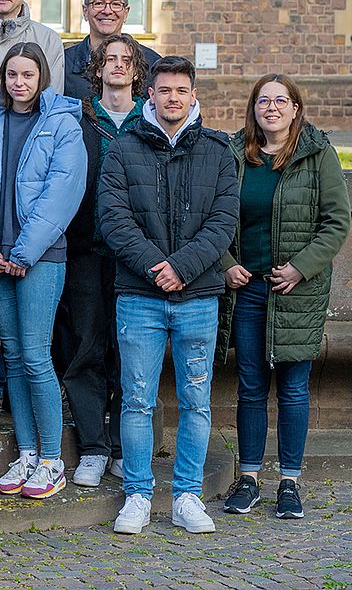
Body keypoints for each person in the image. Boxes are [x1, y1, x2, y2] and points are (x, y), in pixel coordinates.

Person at [98, 56, 239, 535]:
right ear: (150, 94)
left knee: (197, 401)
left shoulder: (219, 151)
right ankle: (137, 494)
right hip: (139, 294)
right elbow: (113, 219)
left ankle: (186, 496)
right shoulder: (123, 148)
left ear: (193, 95)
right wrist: (156, 268)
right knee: (136, 399)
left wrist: (181, 267)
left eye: (181, 89)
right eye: (164, 90)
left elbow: (223, 223)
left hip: (198, 296)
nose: (173, 97)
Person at [219, 74, 350, 520]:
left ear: (295, 108)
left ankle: (290, 482)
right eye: (263, 100)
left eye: (281, 100)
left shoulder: (317, 154)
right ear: (253, 108)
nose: (271, 107)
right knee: (252, 386)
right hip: (249, 289)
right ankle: (250, 479)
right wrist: (226, 263)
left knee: (294, 389)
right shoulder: (235, 154)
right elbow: (212, 216)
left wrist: (301, 267)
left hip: (296, 290)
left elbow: (335, 221)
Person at [0, 42, 86, 501]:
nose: (20, 83)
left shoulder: (62, 124)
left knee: (37, 355)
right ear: (3, 78)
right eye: (12, 75)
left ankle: (53, 459)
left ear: (42, 79)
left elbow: (63, 192)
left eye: (28, 75)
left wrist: (23, 251)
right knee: (13, 354)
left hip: (41, 256)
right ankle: (26, 452)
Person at [59, 34, 149, 488]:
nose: (116, 66)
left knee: (129, 351)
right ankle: (93, 445)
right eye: (108, 59)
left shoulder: (148, 122)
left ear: (136, 71)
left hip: (137, 256)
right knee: (86, 347)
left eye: (125, 60)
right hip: (85, 251)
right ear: (96, 69)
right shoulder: (77, 117)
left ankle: (121, 444)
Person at [63, 0, 162, 101]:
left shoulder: (152, 64)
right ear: (85, 11)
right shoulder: (63, 64)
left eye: (116, 4)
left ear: (126, 13)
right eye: (98, 3)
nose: (107, 11)